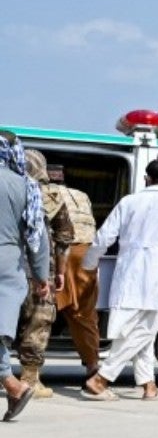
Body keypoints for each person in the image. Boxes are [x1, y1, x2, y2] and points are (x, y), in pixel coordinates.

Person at [80, 158, 158, 400]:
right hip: (153, 274)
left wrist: (89, 263)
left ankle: (149, 386)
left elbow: (104, 236)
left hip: (127, 272)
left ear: (146, 178)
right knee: (146, 330)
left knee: (137, 331)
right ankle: (101, 379)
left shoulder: (128, 202)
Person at [13, 150, 75, 403]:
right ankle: (29, 379)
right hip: (40, 273)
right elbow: (64, 238)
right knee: (37, 323)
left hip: (8, 269)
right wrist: (60, 272)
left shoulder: (8, 189)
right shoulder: (50, 195)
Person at [0, 133, 50, 420]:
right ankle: (13, 386)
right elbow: (38, 237)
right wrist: (41, 277)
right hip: (11, 268)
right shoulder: (27, 186)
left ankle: (13, 386)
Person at [47, 162, 101, 377]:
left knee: (39, 312)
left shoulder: (41, 192)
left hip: (56, 252)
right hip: (85, 253)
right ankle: (92, 366)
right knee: (84, 314)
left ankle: (29, 372)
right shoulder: (82, 195)